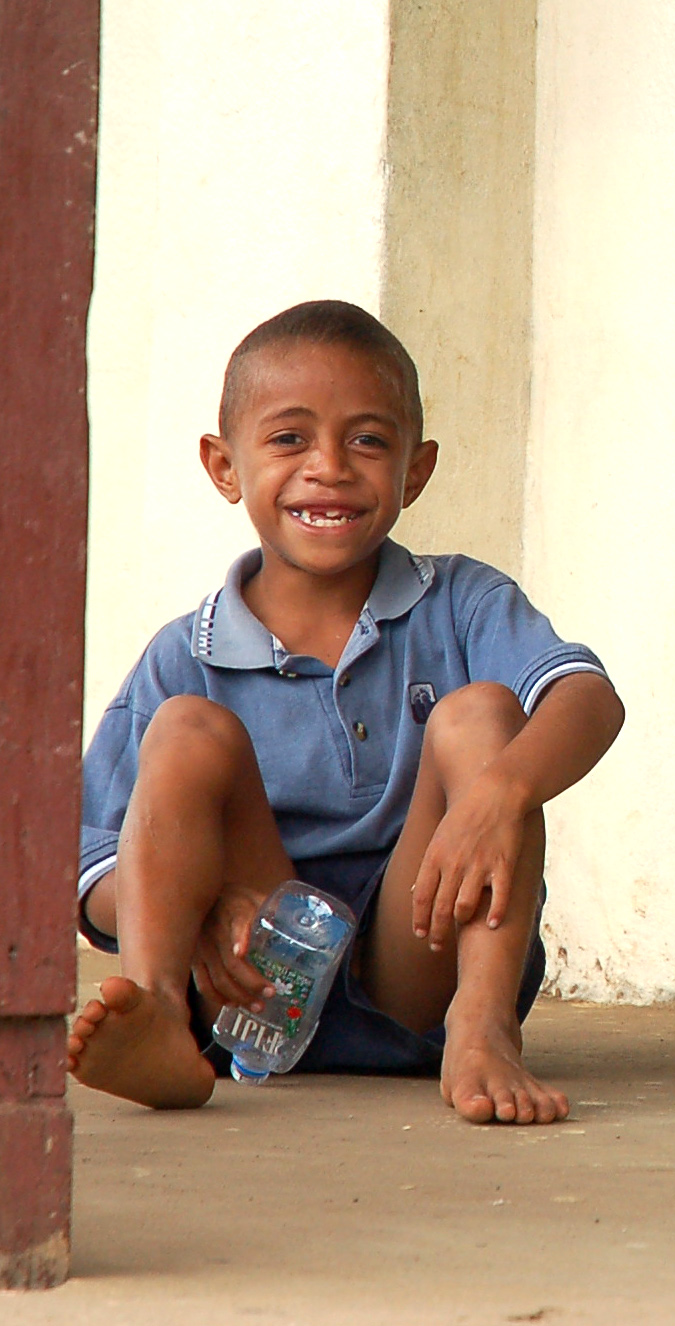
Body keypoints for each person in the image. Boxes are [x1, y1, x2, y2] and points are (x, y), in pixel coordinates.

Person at [66, 301, 625, 1125]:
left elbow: (590, 701)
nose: (328, 466)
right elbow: (90, 866)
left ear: (416, 469)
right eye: (288, 438)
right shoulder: (187, 652)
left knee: (481, 714)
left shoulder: (463, 602)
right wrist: (199, 900)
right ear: (224, 466)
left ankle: (483, 1023)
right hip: (249, 983)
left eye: (367, 439)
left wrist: (499, 793)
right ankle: (155, 1015)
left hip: (417, 965)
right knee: (186, 730)